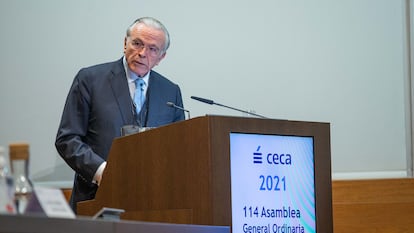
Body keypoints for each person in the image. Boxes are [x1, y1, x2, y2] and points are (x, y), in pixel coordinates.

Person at [55, 17, 185, 212]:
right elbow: (68, 139)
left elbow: (177, 149)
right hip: (95, 199)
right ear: (125, 43)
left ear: (161, 57)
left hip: (153, 205)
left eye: (152, 49)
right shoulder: (90, 80)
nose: (142, 53)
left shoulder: (170, 91)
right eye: (137, 43)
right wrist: (102, 172)